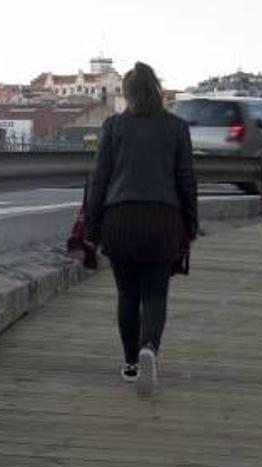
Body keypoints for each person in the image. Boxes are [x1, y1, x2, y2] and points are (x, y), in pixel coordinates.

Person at [84, 62, 198, 397]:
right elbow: (186, 180)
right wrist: (190, 223)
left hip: (120, 219)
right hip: (162, 220)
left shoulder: (113, 127)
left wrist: (92, 226)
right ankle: (149, 347)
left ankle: (131, 363)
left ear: (129, 94)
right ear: (158, 90)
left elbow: (100, 179)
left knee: (127, 293)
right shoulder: (176, 127)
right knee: (155, 293)